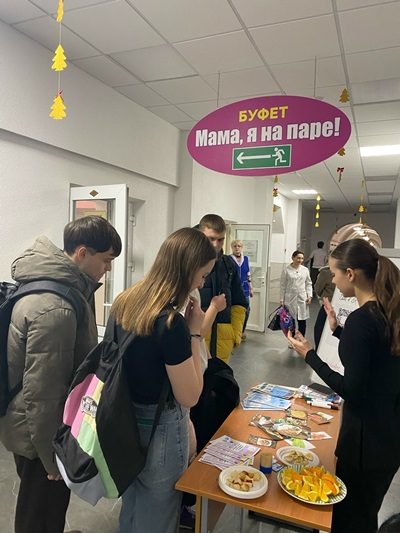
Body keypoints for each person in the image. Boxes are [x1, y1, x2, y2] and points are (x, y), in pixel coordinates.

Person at [0, 216, 122, 533]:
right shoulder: (56, 308)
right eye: (106, 259)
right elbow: (43, 394)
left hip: (30, 424)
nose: (108, 268)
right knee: (40, 512)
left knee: (41, 506)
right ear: (82, 253)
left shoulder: (55, 288)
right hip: (39, 433)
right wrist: (50, 456)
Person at [288, 239, 400, 533]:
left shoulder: (363, 320)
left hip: (365, 442)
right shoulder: (387, 311)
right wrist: (338, 330)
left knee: (350, 519)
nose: (334, 281)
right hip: (389, 436)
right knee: (365, 513)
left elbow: (352, 389)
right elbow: (376, 357)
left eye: (336, 274)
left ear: (351, 274)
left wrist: (310, 355)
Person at [111, 227, 216, 533]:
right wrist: (194, 332)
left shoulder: (123, 303)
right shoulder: (171, 323)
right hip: (162, 428)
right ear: (188, 270)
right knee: (157, 515)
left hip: (123, 420)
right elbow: (190, 395)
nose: (202, 283)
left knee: (131, 506)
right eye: (202, 275)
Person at [197, 214, 248, 363]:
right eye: (210, 239)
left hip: (223, 338)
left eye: (220, 240)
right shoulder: (189, 262)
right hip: (195, 339)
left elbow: (239, 302)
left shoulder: (228, 265)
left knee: (219, 377)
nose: (215, 245)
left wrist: (235, 334)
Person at [280, 250, 312, 341]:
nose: (300, 260)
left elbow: (308, 283)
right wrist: (281, 299)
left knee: (302, 321)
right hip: (290, 298)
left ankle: (302, 340)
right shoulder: (286, 270)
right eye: (298, 258)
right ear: (293, 258)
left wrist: (309, 295)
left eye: (302, 258)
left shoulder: (305, 270)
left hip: (302, 298)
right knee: (291, 322)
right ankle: (292, 340)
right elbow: (282, 285)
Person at [230, 239, 253, 339]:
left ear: (242, 247)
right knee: (232, 309)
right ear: (232, 248)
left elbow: (248, 274)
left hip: (245, 288)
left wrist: (251, 288)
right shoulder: (228, 259)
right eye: (235, 246)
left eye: (239, 246)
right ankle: (232, 331)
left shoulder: (246, 259)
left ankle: (242, 330)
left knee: (246, 310)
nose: (237, 248)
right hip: (233, 288)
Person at [313, 262, 335, 349]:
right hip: (344, 304)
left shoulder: (326, 272)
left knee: (320, 329)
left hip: (328, 304)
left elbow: (318, 289)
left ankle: (319, 350)